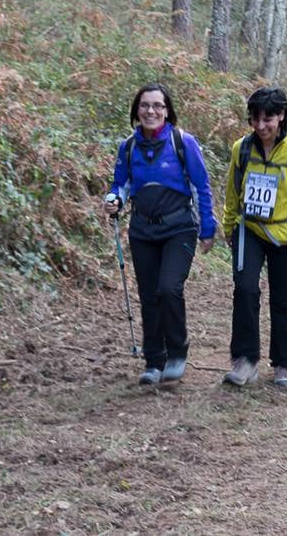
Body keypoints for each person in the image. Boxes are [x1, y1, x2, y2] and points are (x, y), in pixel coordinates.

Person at [104, 83, 217, 387]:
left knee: (168, 288)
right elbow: (121, 185)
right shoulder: (128, 147)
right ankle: (154, 361)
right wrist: (113, 199)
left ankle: (177, 353)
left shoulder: (183, 142)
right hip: (142, 230)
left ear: (167, 111)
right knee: (149, 295)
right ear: (136, 110)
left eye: (157, 105)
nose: (151, 111)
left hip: (179, 227)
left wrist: (208, 227)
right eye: (144, 105)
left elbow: (201, 186)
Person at [222, 87, 287, 389]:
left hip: (286, 235)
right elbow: (232, 190)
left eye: (268, 119)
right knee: (244, 290)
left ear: (281, 116)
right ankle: (244, 361)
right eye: (255, 119)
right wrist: (229, 227)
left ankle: (282, 363)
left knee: (281, 299)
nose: (261, 126)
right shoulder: (241, 149)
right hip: (249, 230)